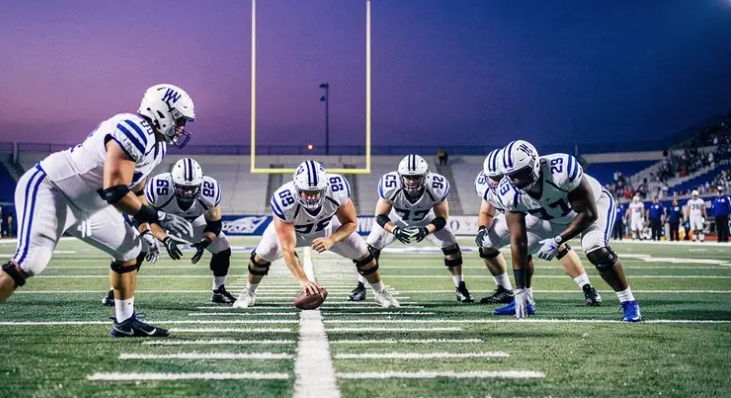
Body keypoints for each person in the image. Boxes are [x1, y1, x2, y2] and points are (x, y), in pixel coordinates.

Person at [0, 84, 196, 348]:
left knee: (131, 248)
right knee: (31, 261)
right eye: (179, 119)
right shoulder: (133, 129)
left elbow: (136, 192)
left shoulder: (156, 147)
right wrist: (158, 215)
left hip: (89, 206)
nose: (181, 127)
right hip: (53, 189)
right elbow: (115, 190)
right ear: (162, 111)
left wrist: (148, 227)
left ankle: (125, 323)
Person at [497, 140, 641, 322]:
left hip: (593, 205)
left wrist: (557, 241)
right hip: (553, 216)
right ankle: (526, 299)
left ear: (534, 163)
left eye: (522, 173)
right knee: (525, 247)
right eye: (512, 176)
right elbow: (518, 240)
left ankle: (629, 302)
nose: (517, 180)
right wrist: (519, 289)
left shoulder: (561, 170)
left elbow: (588, 213)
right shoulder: (508, 192)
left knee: (595, 247)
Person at [233, 161, 399, 308]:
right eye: (306, 192)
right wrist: (304, 281)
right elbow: (287, 250)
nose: (311, 197)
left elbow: (351, 223)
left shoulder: (337, 189)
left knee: (363, 251)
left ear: (325, 188)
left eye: (316, 192)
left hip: (326, 227)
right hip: (294, 230)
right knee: (263, 253)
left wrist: (331, 239)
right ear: (297, 188)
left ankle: (380, 292)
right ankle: (249, 292)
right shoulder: (284, 200)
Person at [474, 149, 601, 309]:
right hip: (513, 215)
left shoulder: (520, 183)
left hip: (533, 214)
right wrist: (481, 228)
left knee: (554, 245)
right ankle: (506, 290)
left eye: (500, 177)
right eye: (492, 178)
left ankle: (586, 286)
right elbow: (486, 211)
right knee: (487, 244)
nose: (495, 182)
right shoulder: (488, 187)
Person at [103, 158, 235, 306]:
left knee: (222, 245)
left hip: (189, 224)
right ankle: (116, 292)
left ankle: (218, 291)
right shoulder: (158, 188)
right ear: (173, 183)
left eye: (192, 187)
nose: (188, 192)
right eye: (183, 187)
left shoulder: (210, 191)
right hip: (158, 220)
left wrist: (205, 242)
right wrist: (166, 239)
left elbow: (215, 225)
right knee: (138, 246)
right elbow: (143, 217)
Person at [348, 154, 472, 303]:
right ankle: (361, 286)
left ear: (425, 176)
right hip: (397, 218)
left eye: (417, 177)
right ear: (401, 176)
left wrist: (426, 230)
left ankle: (460, 287)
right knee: (369, 249)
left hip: (426, 218)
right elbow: (380, 216)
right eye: (408, 177)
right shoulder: (390, 185)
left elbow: (442, 218)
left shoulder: (436, 186)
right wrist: (395, 230)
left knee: (451, 245)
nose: (412, 181)